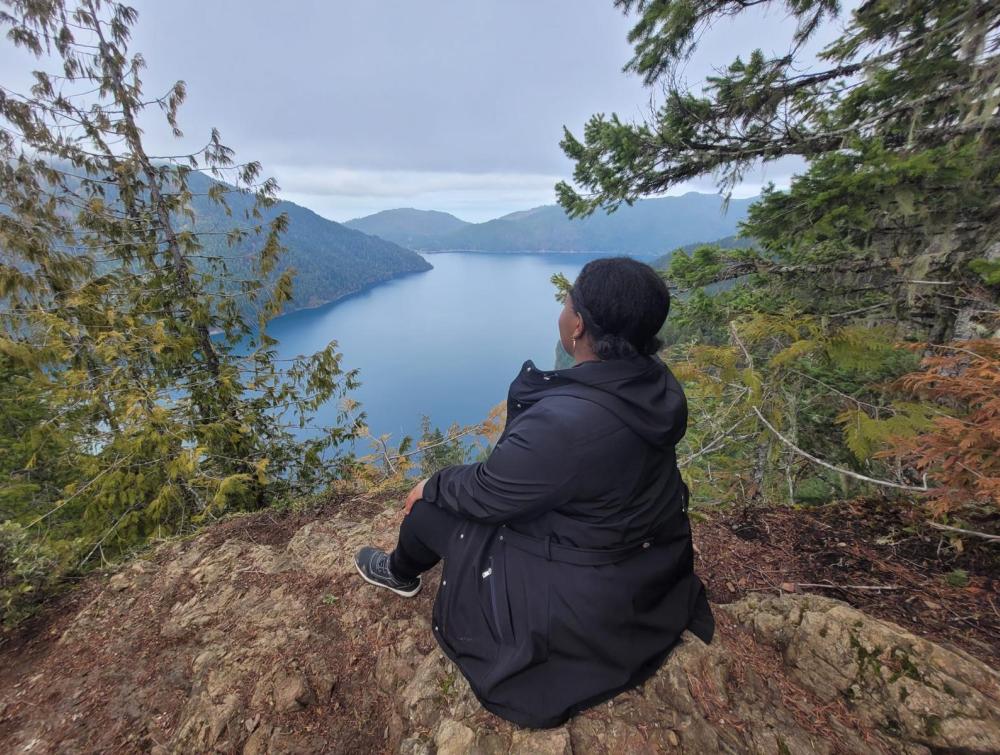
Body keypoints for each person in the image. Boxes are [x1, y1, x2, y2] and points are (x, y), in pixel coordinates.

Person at [354, 256, 714, 729]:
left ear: (578, 326)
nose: (563, 311)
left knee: (427, 513)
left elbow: (488, 492)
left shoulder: (568, 425)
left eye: (568, 302)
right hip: (644, 567)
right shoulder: (653, 386)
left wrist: (433, 482)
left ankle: (399, 574)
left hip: (588, 593)